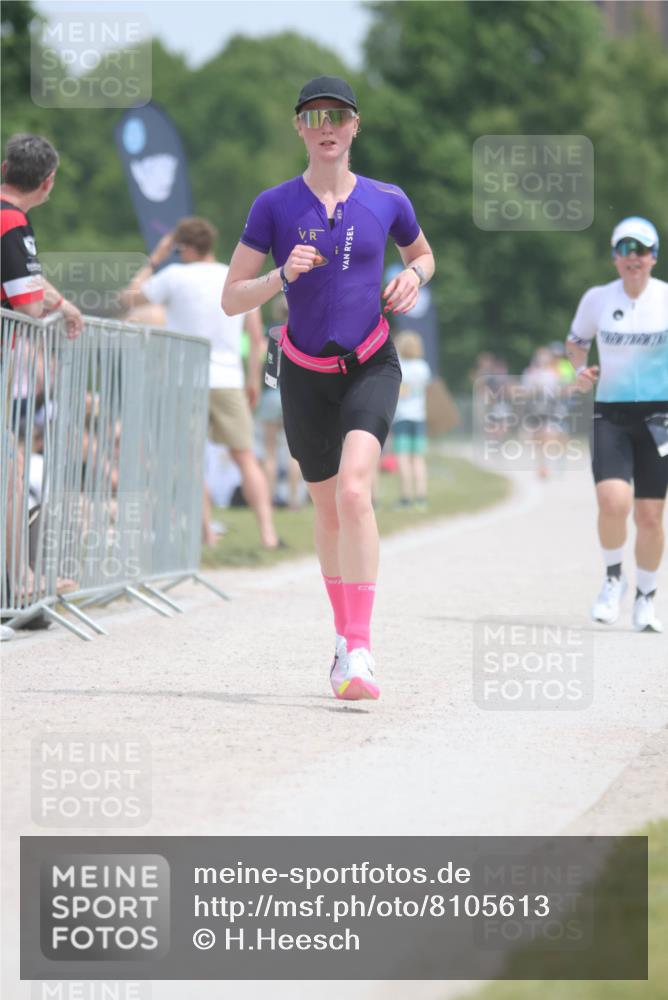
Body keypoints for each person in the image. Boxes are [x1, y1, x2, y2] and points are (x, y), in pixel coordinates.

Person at [222, 75, 435, 699]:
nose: (327, 127)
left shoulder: (388, 199)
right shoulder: (274, 205)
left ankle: (363, 649)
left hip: (372, 363)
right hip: (303, 375)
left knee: (353, 492)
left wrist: (413, 277)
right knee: (324, 506)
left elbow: (424, 255)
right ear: (299, 129)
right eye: (314, 118)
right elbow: (232, 297)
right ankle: (343, 641)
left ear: (355, 126)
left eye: (338, 116)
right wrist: (279, 276)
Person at [121, 216, 281, 550]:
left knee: (191, 460)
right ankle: (268, 533)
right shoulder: (233, 276)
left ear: (184, 247)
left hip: (185, 379)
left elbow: (128, 298)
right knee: (245, 457)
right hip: (228, 378)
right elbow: (254, 334)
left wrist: (157, 257)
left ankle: (207, 535)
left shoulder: (174, 275)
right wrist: (253, 379)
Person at [566, 216, 668, 633]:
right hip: (610, 412)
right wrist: (579, 370)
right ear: (614, 256)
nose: (632, 257)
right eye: (624, 249)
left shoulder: (665, 298)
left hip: (660, 417)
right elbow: (576, 342)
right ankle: (613, 579)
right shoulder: (597, 299)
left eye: (640, 250)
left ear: (654, 257)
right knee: (613, 502)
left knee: (649, 517)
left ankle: (646, 597)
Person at [1, 134, 83, 639]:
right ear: (48, 183)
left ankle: (20, 583)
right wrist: (58, 308)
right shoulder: (13, 221)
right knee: (10, 474)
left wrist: (64, 302)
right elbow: (27, 303)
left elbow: (27, 281)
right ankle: (19, 584)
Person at [391, 330, 431, 510]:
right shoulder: (423, 367)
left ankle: (406, 497)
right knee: (418, 458)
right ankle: (421, 497)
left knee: (403, 458)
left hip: (401, 417)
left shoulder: (398, 366)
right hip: (419, 416)